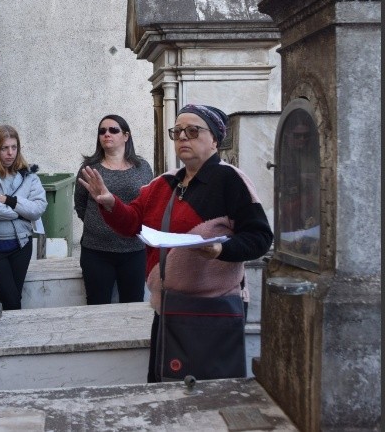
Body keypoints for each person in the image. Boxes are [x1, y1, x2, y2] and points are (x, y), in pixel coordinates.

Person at [78, 104, 273, 383]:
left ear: (215, 139)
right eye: (177, 131)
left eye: (192, 131)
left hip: (212, 310)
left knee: (209, 391)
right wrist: (110, 203)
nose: (182, 137)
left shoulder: (231, 180)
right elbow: (133, 223)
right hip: (168, 307)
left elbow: (260, 237)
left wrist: (221, 249)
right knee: (165, 385)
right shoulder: (163, 184)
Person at [74, 115, 153, 305]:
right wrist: (98, 224)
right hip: (96, 251)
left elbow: (149, 203)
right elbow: (81, 204)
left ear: (126, 136)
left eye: (113, 130)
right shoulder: (89, 168)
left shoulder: (142, 167)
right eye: (102, 131)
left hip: (134, 250)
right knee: (97, 305)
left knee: (133, 305)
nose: (106, 134)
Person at [0, 125, 47, 310]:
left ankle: (9, 328)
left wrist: (10, 201)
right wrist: (19, 211)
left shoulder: (29, 176)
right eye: (4, 148)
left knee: (15, 297)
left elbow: (38, 209)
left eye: (14, 147)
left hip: (21, 246)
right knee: (11, 300)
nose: (10, 153)